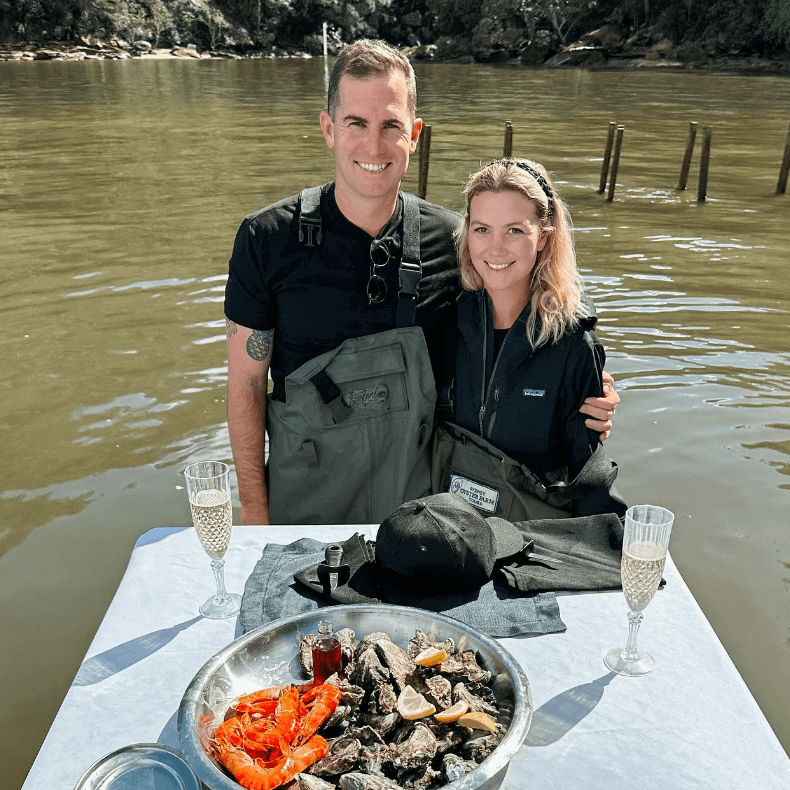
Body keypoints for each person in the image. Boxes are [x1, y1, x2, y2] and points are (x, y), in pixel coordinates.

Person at [224, 39, 619, 526]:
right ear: (328, 129)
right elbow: (245, 383)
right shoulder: (265, 239)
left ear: (414, 134)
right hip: (301, 511)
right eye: (356, 124)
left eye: (391, 126)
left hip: (418, 520)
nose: (374, 146)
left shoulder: (454, 239)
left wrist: (583, 383)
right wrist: (255, 510)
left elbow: (515, 325)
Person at [434, 158, 623, 517]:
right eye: (482, 229)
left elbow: (586, 474)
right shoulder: (447, 323)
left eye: (515, 231)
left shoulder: (574, 347)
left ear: (544, 237)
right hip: (450, 526)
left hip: (530, 535)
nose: (495, 248)